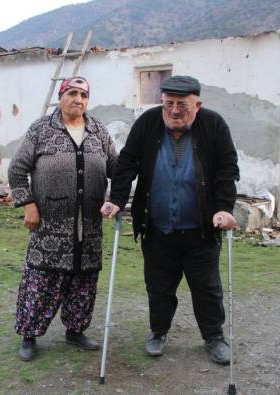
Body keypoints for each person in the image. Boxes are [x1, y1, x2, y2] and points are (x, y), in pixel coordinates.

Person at [101, 75, 239, 364]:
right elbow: (127, 163)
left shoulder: (214, 126)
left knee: (207, 288)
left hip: (201, 228)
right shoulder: (148, 124)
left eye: (182, 105)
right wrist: (116, 199)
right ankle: (158, 332)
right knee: (159, 287)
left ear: (197, 105)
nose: (174, 111)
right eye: (168, 104)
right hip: (157, 227)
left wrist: (225, 208)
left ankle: (213, 337)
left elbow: (227, 169)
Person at [8, 76, 118, 361]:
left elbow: (117, 168)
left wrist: (116, 198)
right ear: (61, 96)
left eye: (83, 94)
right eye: (72, 93)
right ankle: (29, 335)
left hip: (90, 226)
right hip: (50, 225)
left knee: (84, 283)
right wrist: (28, 204)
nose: (78, 99)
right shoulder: (42, 129)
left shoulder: (99, 132)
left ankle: (75, 331)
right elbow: (17, 171)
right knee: (41, 281)